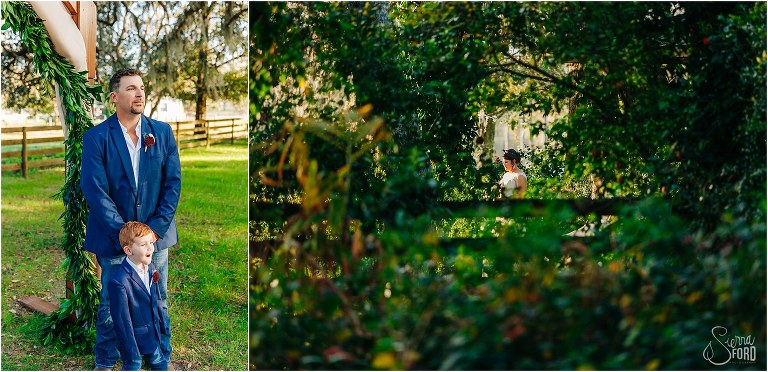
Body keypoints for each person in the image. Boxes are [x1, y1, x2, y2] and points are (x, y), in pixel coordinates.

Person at [81, 68, 181, 370]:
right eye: (130, 88)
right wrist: (126, 234)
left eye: (141, 88)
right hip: (115, 239)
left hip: (154, 238)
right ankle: (106, 357)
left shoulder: (161, 132)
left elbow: (172, 184)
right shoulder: (97, 137)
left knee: (156, 297)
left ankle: (159, 354)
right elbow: (95, 189)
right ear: (114, 97)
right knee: (112, 302)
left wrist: (152, 231)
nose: (139, 93)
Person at [109, 222, 169, 371]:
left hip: (153, 338)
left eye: (151, 242)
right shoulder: (119, 281)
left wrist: (163, 327)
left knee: (161, 364)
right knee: (133, 366)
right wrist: (131, 351)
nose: (150, 248)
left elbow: (157, 300)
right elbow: (122, 321)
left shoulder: (151, 268)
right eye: (143, 244)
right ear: (128, 250)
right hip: (133, 343)